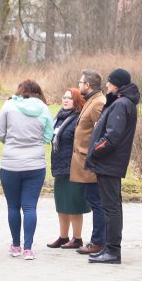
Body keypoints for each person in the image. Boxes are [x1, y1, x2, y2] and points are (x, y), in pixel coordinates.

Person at [85, 68, 140, 264]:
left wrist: (95, 151)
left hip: (109, 164)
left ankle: (112, 251)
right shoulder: (120, 102)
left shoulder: (121, 104)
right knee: (111, 207)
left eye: (109, 82)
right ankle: (109, 249)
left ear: (117, 84)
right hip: (109, 164)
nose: (106, 85)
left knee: (111, 208)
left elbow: (112, 137)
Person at [0, 80, 53, 260]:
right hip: (35, 164)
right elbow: (48, 135)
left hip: (10, 163)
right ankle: (28, 248)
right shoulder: (44, 108)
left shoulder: (9, 105)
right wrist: (35, 142)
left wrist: (11, 142)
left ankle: (15, 245)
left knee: (13, 206)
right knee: (30, 207)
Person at [47, 88, 91, 250]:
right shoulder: (58, 117)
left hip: (73, 167)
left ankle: (77, 238)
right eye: (64, 97)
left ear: (77, 101)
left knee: (74, 204)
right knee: (61, 205)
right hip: (59, 167)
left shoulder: (78, 119)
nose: (65, 100)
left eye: (69, 98)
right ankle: (63, 236)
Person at [71, 69, 107, 255]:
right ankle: (99, 240)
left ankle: (98, 242)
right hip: (84, 160)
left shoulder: (98, 102)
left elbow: (105, 132)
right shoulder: (92, 100)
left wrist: (94, 152)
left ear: (88, 85)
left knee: (97, 202)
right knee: (93, 200)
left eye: (80, 82)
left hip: (90, 161)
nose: (79, 85)